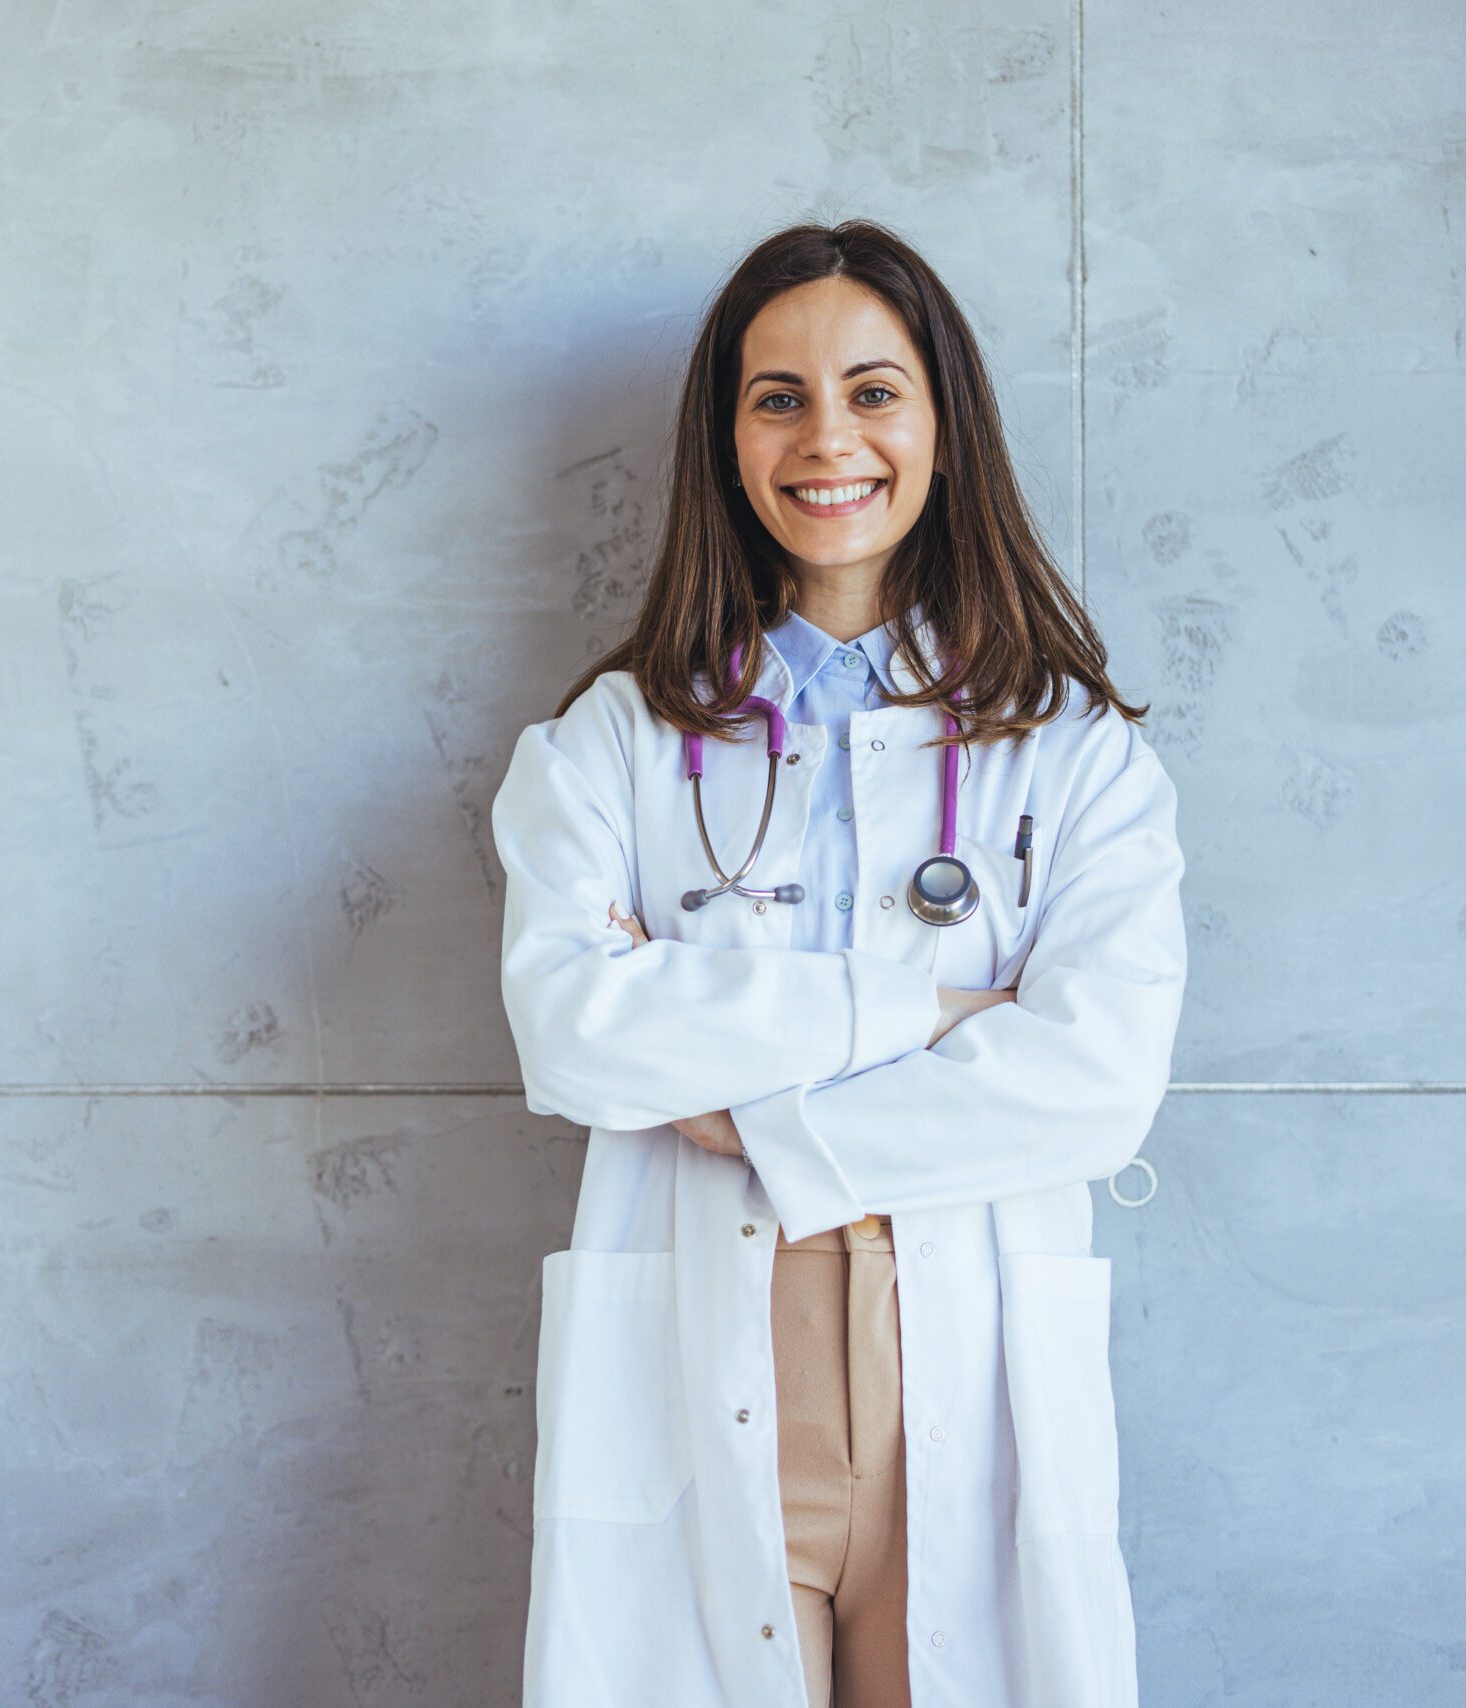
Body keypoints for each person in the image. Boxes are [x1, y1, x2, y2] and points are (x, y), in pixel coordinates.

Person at [490, 218, 1188, 1708]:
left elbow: (1096, 1082)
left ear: (942, 425)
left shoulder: (1075, 756)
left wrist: (746, 1110)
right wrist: (931, 1014)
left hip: (972, 1379)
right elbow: (571, 1033)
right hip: (699, 1367)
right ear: (728, 438)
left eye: (875, 391)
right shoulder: (616, 744)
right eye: (779, 396)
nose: (829, 439)